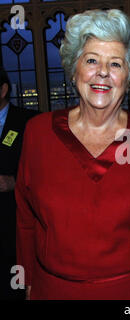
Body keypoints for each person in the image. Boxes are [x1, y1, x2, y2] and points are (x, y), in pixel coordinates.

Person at [15, 9, 130, 300]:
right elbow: (24, 218)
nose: (103, 72)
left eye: (116, 64)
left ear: (129, 76)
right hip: (53, 291)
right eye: (92, 60)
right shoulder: (37, 133)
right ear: (74, 69)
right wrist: (27, 282)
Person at [0, 68, 39, 300]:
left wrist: (15, 181)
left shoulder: (31, 123)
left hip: (16, 226)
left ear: (3, 90)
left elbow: (49, 171)